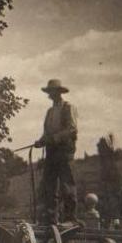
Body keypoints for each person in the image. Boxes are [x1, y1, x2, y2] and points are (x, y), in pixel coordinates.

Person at [34, 79, 78, 225]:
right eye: (49, 92)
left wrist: (54, 138)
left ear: (58, 93)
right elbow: (46, 133)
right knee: (49, 185)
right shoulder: (50, 112)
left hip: (64, 151)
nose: (50, 95)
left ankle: (70, 218)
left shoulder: (68, 107)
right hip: (51, 153)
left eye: (52, 92)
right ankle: (52, 218)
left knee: (67, 185)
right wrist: (41, 141)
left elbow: (72, 129)